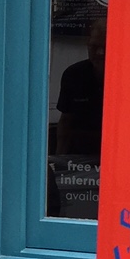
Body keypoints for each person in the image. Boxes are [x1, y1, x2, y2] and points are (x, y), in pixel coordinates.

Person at [55, 20, 106, 157]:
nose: (100, 53)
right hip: (79, 156)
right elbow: (65, 120)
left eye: (105, 46)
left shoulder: (127, 75)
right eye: (94, 47)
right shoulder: (74, 74)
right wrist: (59, 159)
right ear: (87, 45)